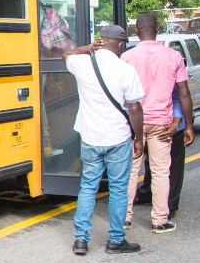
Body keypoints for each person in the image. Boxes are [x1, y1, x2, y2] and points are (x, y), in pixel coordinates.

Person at [62, 25, 145, 255]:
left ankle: (81, 240)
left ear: (100, 41)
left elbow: (65, 54)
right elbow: (135, 109)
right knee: (119, 189)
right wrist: (139, 138)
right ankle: (116, 240)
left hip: (90, 137)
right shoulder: (125, 69)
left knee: (88, 186)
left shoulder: (82, 63)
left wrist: (88, 48)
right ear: (120, 45)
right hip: (117, 138)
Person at [121, 14, 194, 233]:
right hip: (162, 124)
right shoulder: (173, 56)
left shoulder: (126, 57)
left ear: (136, 30)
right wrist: (187, 125)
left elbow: (120, 93)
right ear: (158, 28)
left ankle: (124, 218)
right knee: (162, 171)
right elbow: (184, 93)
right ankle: (160, 221)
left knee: (130, 171)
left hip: (135, 124)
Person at [134, 84, 192, 220]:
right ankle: (147, 193)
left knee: (171, 165)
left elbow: (180, 95)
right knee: (153, 160)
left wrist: (180, 123)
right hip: (146, 121)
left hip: (168, 123)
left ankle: (169, 205)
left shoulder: (170, 63)